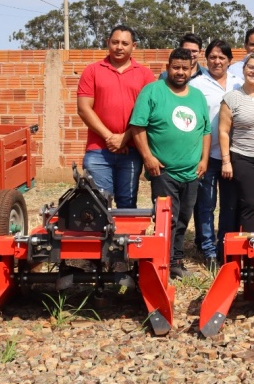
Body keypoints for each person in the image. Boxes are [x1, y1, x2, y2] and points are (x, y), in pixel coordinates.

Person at [129, 47, 210, 279]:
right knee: (167, 219)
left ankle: (175, 260)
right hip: (164, 171)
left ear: (192, 70)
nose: (180, 72)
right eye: (176, 67)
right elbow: (138, 126)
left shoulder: (197, 96)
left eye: (185, 68)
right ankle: (163, 262)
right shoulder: (152, 92)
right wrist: (148, 157)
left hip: (192, 171)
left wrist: (204, 159)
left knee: (184, 217)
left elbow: (205, 130)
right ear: (167, 68)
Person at [76, 25, 156, 209]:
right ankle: (104, 239)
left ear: (133, 46)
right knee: (98, 205)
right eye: (115, 42)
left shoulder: (145, 74)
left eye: (125, 43)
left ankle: (124, 238)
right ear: (108, 43)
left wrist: (124, 137)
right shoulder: (93, 71)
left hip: (132, 150)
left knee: (127, 204)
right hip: (98, 151)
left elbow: (149, 113)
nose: (119, 47)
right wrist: (109, 138)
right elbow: (83, 108)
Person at [187, 40, 239, 266]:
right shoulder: (196, 85)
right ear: (205, 59)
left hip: (233, 155)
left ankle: (224, 246)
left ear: (230, 61)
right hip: (206, 155)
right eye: (213, 57)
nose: (217, 61)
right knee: (206, 205)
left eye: (222, 57)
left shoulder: (239, 83)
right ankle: (208, 250)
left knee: (229, 204)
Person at [218, 52, 254, 244]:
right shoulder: (231, 98)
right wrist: (226, 161)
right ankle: (250, 248)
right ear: (243, 69)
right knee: (250, 204)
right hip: (243, 157)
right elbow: (224, 131)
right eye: (251, 67)